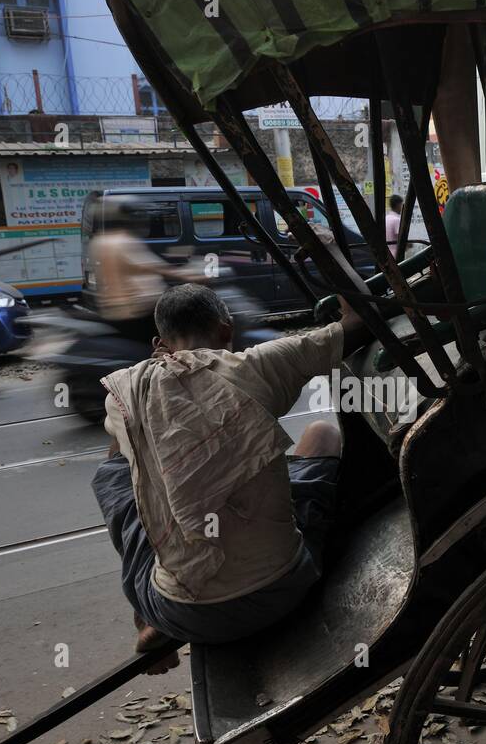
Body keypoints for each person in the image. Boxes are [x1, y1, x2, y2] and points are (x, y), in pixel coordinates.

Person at [92, 283, 372, 673]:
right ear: (227, 331)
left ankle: (145, 617)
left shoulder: (126, 391)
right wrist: (329, 252)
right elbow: (361, 323)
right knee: (323, 433)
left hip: (184, 612)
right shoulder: (258, 365)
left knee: (115, 476)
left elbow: (125, 467)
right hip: (284, 587)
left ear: (159, 342)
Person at [89, 209, 193, 343]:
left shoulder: (99, 242)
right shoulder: (123, 241)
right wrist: (186, 275)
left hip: (112, 308)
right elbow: (149, 265)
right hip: (136, 310)